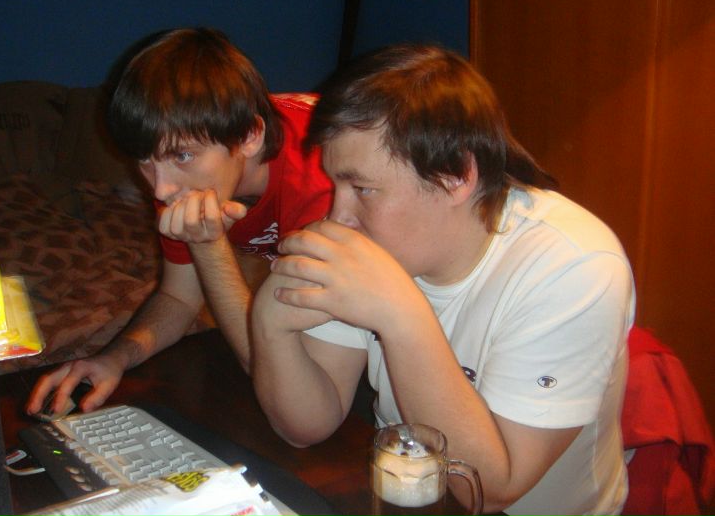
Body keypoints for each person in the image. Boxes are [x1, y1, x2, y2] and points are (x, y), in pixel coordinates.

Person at [251, 44, 635, 515]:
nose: (337, 217)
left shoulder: (575, 266)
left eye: (363, 189)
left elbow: (490, 491)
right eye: (336, 186)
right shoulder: (376, 241)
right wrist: (268, 323)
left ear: (455, 177)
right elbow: (307, 426)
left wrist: (400, 315)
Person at [26, 27, 332, 416]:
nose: (161, 189)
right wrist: (115, 358)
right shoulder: (177, 177)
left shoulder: (322, 186)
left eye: (183, 156)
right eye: (145, 161)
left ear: (250, 136)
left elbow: (274, 375)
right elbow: (179, 297)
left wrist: (209, 246)